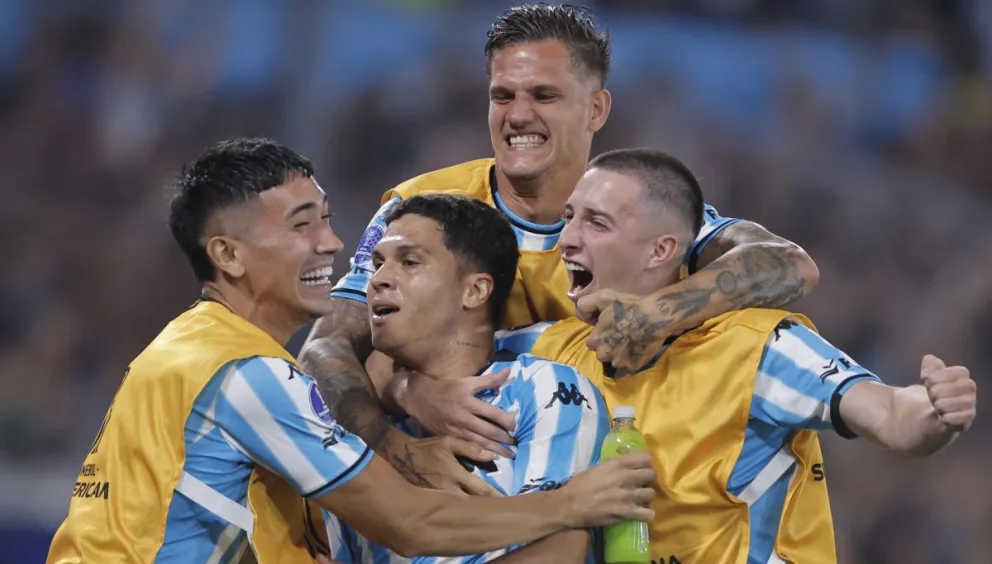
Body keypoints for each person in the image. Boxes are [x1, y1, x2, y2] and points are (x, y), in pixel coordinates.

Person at [45, 138, 656, 564]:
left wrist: (402, 386)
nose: (333, 244)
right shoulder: (248, 377)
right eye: (302, 226)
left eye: (327, 220)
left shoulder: (188, 348)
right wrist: (571, 506)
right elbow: (411, 525)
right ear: (228, 254)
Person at [302, 2, 820, 492]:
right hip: (452, 507)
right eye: (502, 96)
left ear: (596, 109)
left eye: (544, 96)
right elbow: (327, 348)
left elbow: (787, 265)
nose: (518, 115)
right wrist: (400, 428)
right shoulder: (419, 207)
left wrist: (658, 313)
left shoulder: (639, 211)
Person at [393, 147, 979, 564]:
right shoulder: (546, 351)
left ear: (661, 251)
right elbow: (420, 365)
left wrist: (932, 412)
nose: (567, 239)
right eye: (569, 219)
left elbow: (893, 419)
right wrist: (412, 391)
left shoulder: (755, 346)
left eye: (595, 223)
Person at [320, 194, 610, 563]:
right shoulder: (355, 421)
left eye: (409, 262)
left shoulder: (541, 389)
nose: (378, 280)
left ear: (475, 290)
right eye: (377, 264)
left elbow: (562, 550)